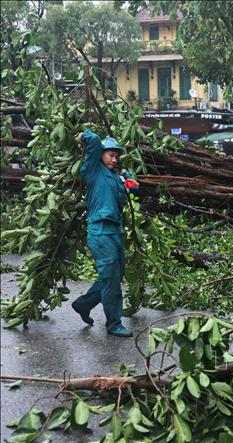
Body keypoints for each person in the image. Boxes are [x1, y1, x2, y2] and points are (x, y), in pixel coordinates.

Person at [72, 129, 139, 338]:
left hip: (116, 232)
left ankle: (84, 304)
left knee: (113, 276)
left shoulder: (115, 178)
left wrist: (126, 176)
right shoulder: (93, 170)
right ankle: (114, 323)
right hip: (99, 232)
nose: (114, 158)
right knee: (111, 278)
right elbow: (91, 141)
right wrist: (84, 135)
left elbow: (135, 188)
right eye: (110, 154)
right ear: (100, 154)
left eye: (116, 155)